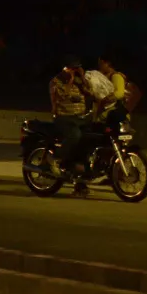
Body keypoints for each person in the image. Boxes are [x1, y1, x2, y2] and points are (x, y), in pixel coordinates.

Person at [48, 57, 92, 194]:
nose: (74, 71)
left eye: (76, 68)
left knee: (89, 141)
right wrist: (70, 80)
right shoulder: (56, 82)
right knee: (74, 135)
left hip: (80, 118)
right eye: (72, 68)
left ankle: (80, 180)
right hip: (63, 117)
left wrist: (83, 78)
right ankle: (56, 159)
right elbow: (62, 96)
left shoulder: (79, 82)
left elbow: (90, 93)